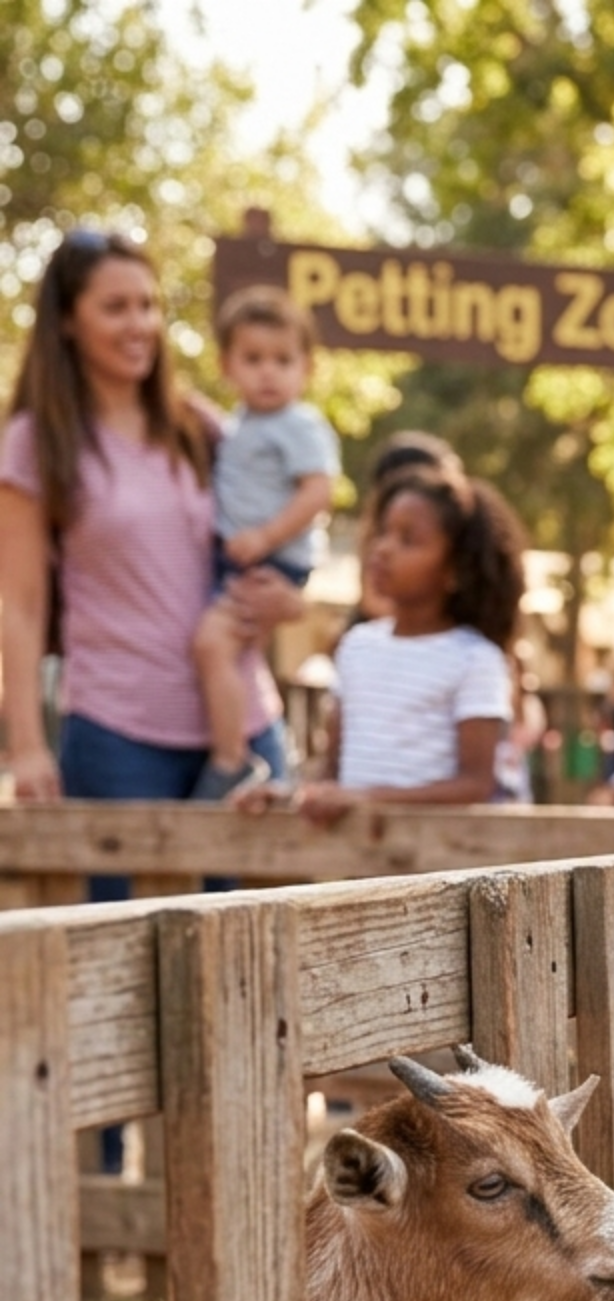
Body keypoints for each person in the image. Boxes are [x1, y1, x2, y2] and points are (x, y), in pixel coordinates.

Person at [0, 227, 297, 852]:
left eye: (147, 304)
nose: (139, 323)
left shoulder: (202, 427)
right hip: (119, 737)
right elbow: (20, 605)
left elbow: (277, 529)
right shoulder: (35, 443)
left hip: (242, 728)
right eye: (115, 307)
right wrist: (25, 747)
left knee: (261, 941)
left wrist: (289, 598)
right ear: (67, 322)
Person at [262, 461, 523, 824]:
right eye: (384, 532)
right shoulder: (356, 646)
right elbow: (333, 770)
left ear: (455, 572)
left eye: (408, 540)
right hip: (360, 865)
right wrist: (285, 795)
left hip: (438, 865)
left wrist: (367, 799)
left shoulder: (476, 660)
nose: (383, 549)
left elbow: (475, 784)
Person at [188, 285, 340, 799]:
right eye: (253, 359)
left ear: (307, 368)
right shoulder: (244, 422)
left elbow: (319, 491)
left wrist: (264, 536)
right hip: (246, 555)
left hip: (271, 558)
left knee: (213, 644)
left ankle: (232, 760)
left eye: (283, 359)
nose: (269, 372)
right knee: (226, 650)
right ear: (227, 365)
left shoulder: (298, 424)